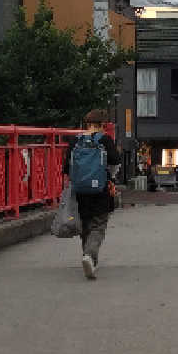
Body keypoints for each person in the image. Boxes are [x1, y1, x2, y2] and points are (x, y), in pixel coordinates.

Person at [64, 109, 121, 279]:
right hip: (100, 188)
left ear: (87, 123)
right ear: (102, 124)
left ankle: (88, 257)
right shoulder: (105, 140)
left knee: (86, 222)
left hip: (80, 189)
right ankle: (89, 255)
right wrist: (108, 176)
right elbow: (115, 162)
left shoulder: (75, 140)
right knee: (99, 223)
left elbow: (66, 167)